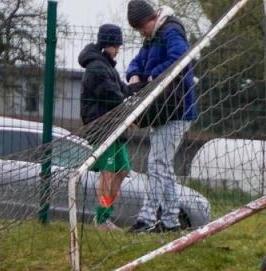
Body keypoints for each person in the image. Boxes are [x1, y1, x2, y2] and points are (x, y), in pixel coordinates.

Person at [125, 0, 196, 233]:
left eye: (141, 28)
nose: (141, 33)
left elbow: (180, 59)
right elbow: (138, 61)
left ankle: (147, 220)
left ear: (151, 19)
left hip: (177, 109)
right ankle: (171, 222)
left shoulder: (171, 31)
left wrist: (151, 76)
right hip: (162, 111)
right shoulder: (151, 38)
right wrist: (134, 74)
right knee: (162, 166)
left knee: (157, 164)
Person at [79, 24, 131, 230]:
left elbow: (122, 90)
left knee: (122, 170)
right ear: (107, 44)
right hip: (102, 128)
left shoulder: (109, 67)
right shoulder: (96, 67)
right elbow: (111, 95)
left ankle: (106, 212)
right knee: (108, 173)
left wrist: (141, 88)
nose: (117, 50)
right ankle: (101, 219)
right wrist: (130, 112)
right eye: (116, 46)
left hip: (115, 127)